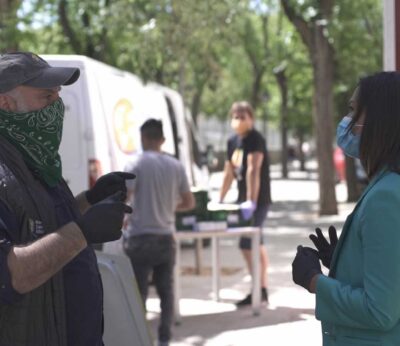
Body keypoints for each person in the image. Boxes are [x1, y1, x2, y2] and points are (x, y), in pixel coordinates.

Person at [0, 51, 135, 345]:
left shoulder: (35, 158)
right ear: (5, 103)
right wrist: (83, 232)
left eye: (58, 96)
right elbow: (10, 275)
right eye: (46, 97)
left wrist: (90, 199)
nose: (57, 107)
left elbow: (41, 220)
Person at [292, 71, 400, 345]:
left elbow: (379, 311)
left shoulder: (385, 196)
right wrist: (344, 262)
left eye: (353, 110)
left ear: (379, 121)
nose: (346, 122)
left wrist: (315, 281)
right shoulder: (387, 185)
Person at [123, 119, 195, 346]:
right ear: (162, 140)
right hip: (165, 237)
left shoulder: (134, 163)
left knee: (139, 295)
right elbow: (189, 202)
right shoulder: (175, 166)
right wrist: (169, 207)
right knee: (166, 292)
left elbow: (125, 198)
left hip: (139, 238)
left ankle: (141, 338)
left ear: (143, 138)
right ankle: (165, 339)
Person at [219, 101, 272, 306]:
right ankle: (262, 288)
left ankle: (258, 289)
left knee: (248, 242)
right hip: (242, 202)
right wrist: (220, 199)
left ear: (251, 118)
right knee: (255, 244)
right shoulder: (232, 141)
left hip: (258, 201)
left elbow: (253, 170)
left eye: (243, 116)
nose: (239, 120)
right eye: (236, 116)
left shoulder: (255, 139)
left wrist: (251, 201)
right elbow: (229, 172)